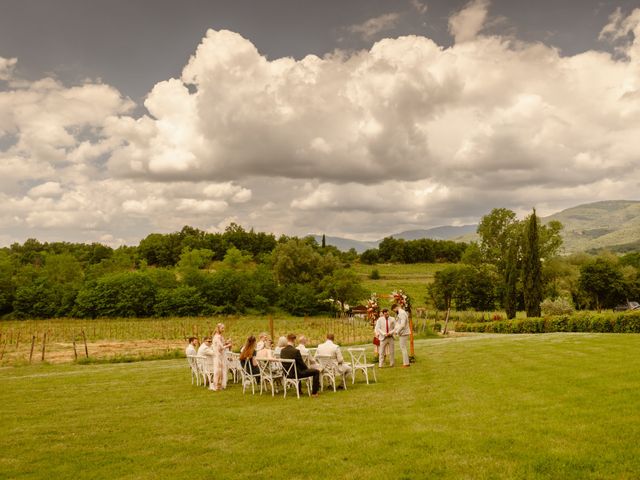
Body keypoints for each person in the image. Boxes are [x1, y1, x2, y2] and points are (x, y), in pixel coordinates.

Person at [211, 323, 232, 391]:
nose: (223, 329)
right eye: (222, 328)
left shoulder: (220, 336)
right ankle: (217, 385)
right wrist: (228, 345)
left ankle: (221, 385)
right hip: (218, 356)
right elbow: (220, 348)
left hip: (221, 355)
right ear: (218, 328)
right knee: (219, 370)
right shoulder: (217, 337)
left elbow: (221, 345)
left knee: (222, 370)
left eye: (223, 328)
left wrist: (226, 343)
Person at [393, 303, 411, 367]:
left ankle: (406, 363)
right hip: (403, 332)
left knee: (403, 348)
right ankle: (406, 363)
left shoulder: (402, 313)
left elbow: (402, 325)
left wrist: (397, 331)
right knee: (403, 347)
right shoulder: (401, 312)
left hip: (404, 332)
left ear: (396, 307)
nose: (394, 311)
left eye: (394, 310)